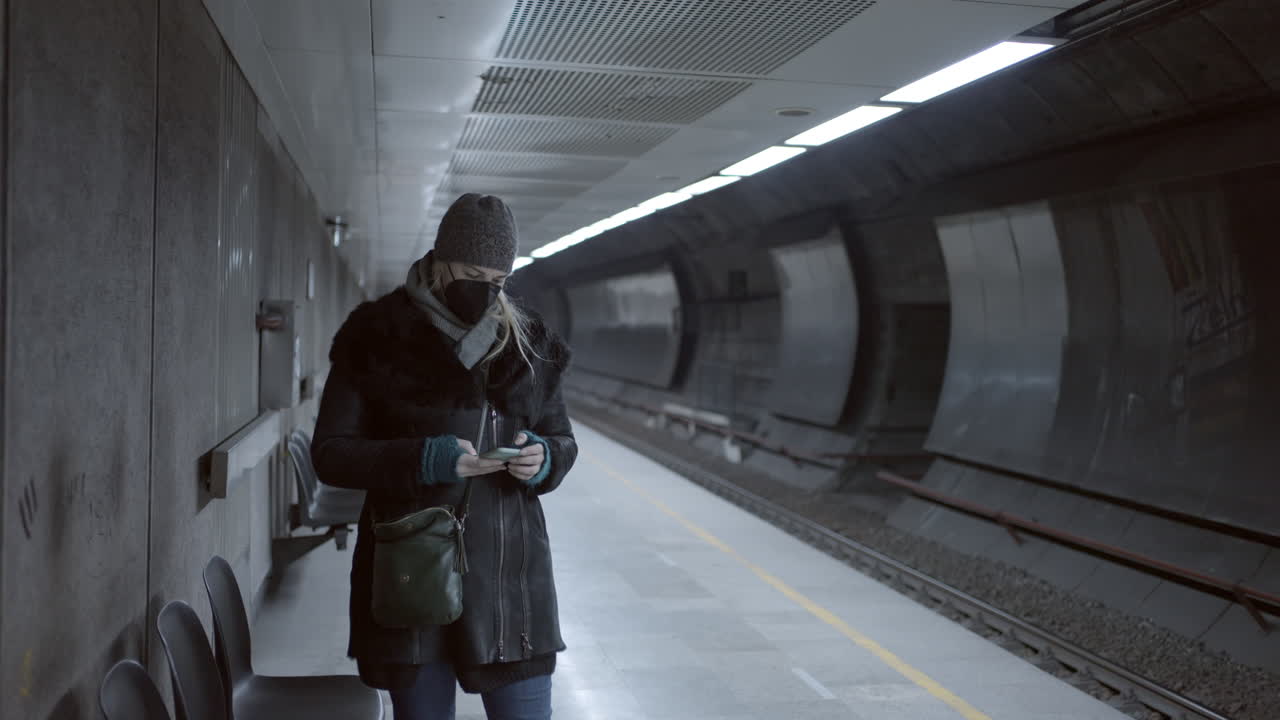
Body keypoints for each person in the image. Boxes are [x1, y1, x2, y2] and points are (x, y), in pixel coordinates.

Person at [311, 193, 576, 720]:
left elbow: (561, 439)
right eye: (472, 274)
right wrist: (424, 459)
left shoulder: (529, 343)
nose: (485, 289)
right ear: (439, 260)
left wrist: (543, 459)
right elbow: (332, 454)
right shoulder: (376, 336)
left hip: (509, 582)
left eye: (499, 280)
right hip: (413, 576)